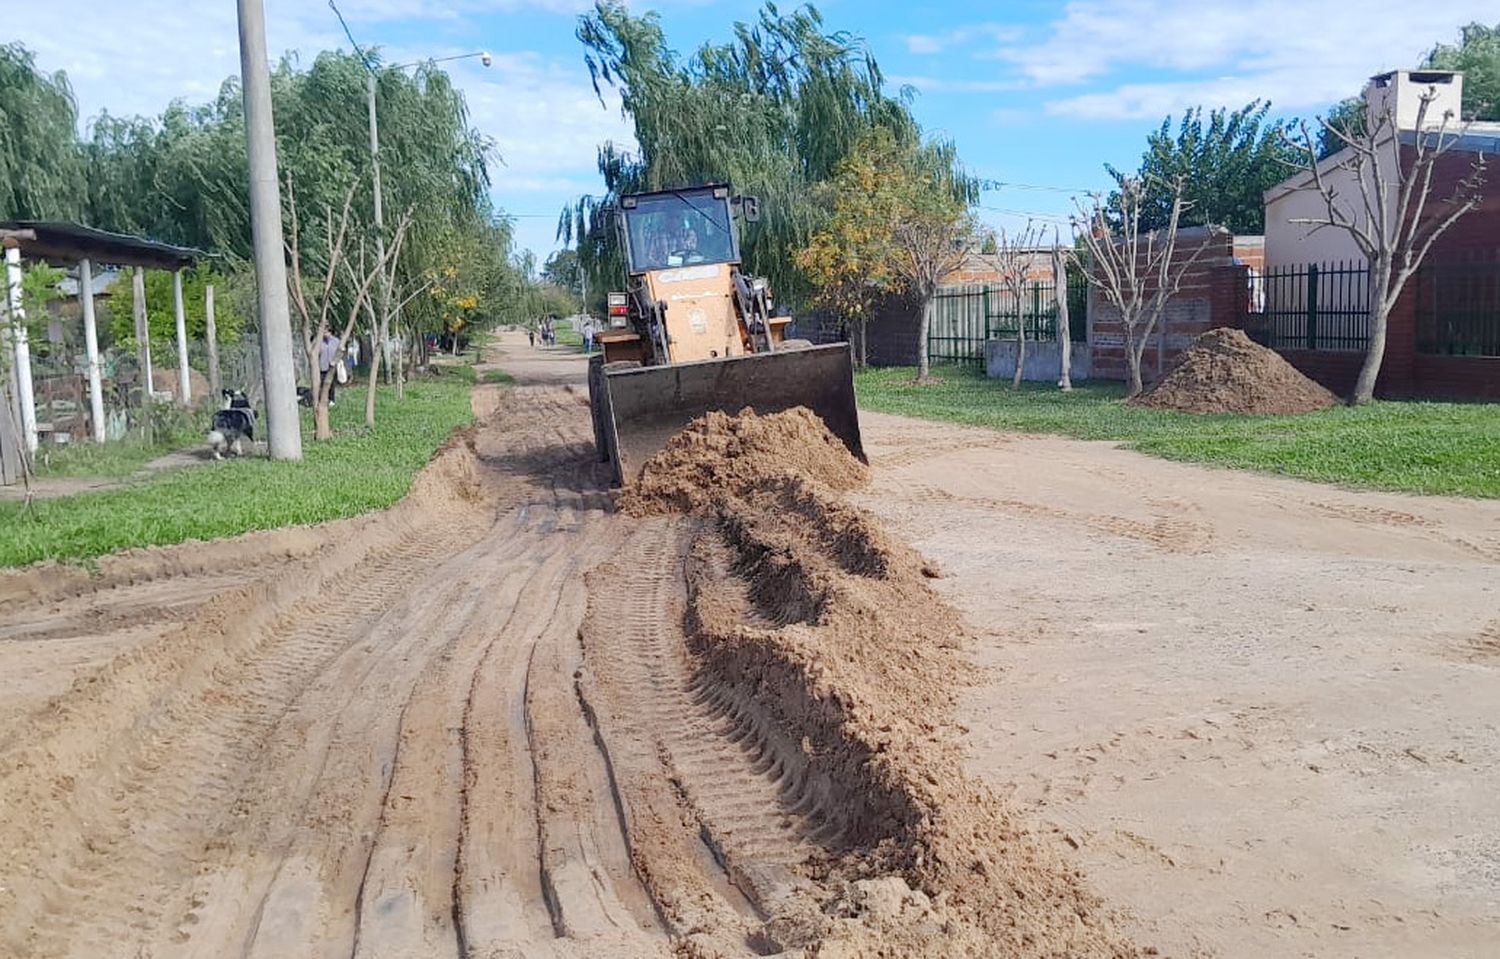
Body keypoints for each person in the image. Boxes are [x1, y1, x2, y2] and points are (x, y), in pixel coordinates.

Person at [318, 330, 339, 406]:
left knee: (332, 383)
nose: (325, 334)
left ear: (330, 332)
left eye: (326, 332)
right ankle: (323, 399)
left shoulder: (336, 341)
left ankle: (332, 399)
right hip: (322, 366)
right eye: (324, 332)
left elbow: (340, 351)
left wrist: (336, 361)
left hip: (332, 366)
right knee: (323, 383)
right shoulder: (319, 341)